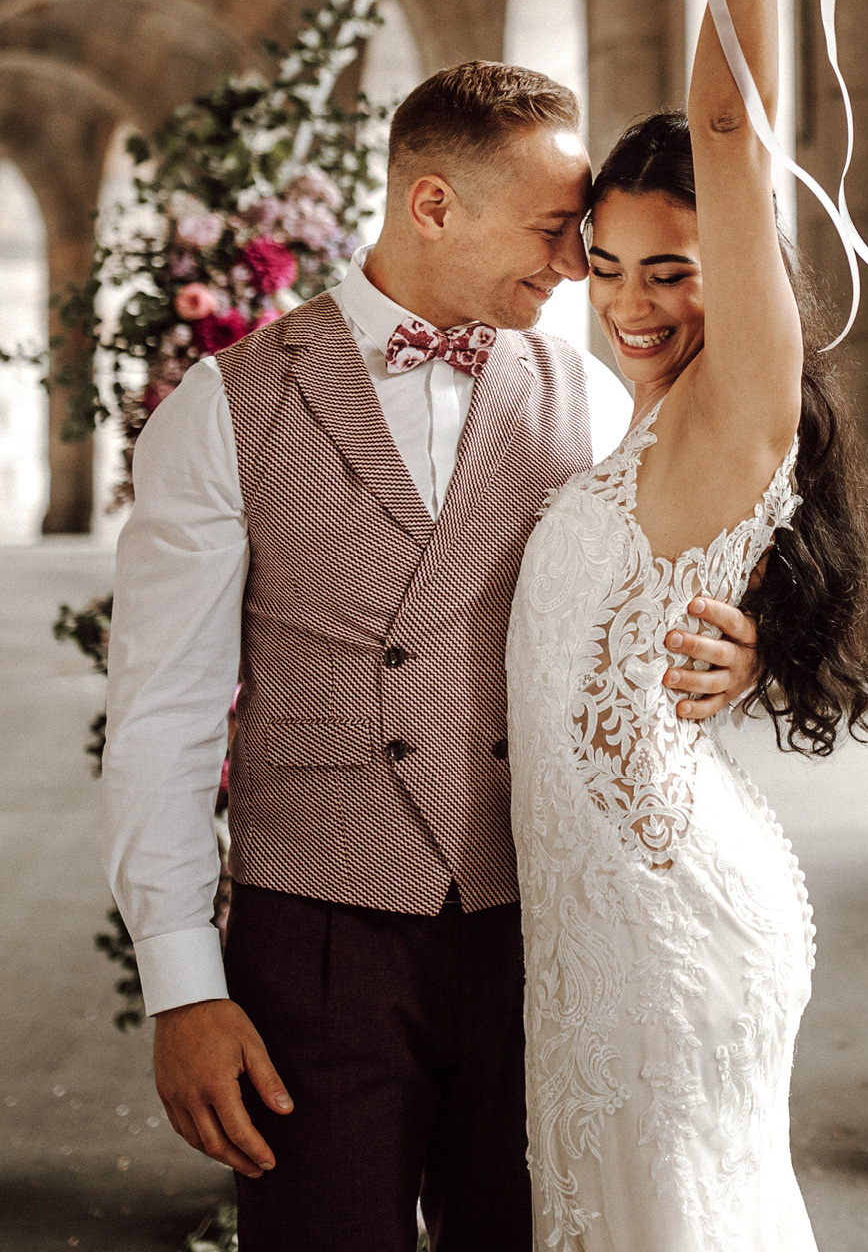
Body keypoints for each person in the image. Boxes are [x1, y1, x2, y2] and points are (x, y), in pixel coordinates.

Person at [100, 62, 766, 1251]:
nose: (575, 269)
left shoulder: (594, 395)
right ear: (432, 204)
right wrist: (183, 985)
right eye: (556, 232)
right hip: (316, 944)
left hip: (544, 916)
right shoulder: (224, 405)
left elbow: (661, 584)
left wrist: (738, 651)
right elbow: (165, 714)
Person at [505, 0, 868, 1249]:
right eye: (604, 270)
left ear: (734, 273)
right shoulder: (642, 429)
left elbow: (730, 115)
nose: (633, 304)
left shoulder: (743, 399)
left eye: (672, 268)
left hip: (667, 935)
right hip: (593, 935)